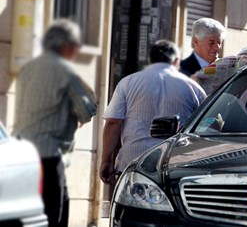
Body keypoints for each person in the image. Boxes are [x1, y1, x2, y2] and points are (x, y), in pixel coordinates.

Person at [13, 19, 97, 227]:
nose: (76, 51)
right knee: (54, 213)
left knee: (28, 212)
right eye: (76, 46)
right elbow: (86, 109)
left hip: (22, 150)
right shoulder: (65, 71)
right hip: (49, 154)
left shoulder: (28, 68)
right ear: (66, 46)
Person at [100, 39, 207, 185]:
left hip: (132, 162)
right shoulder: (193, 88)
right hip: (174, 164)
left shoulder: (127, 82)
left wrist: (106, 161)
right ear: (176, 61)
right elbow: (206, 125)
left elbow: (113, 123)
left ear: (150, 60)